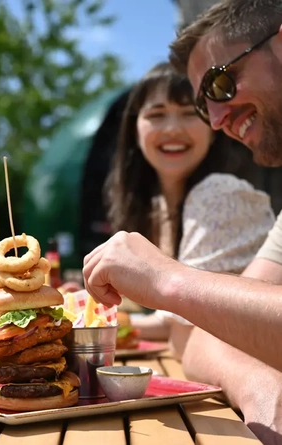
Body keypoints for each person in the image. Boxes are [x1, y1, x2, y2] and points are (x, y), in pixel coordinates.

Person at [83, 1, 282, 442]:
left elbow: (208, 327)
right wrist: (264, 389)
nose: (214, 118)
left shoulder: (220, 195)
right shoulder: (153, 208)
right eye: (203, 103)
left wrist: (167, 281)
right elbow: (220, 334)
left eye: (220, 82)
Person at [104, 61, 274, 358]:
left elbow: (186, 336)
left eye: (189, 113)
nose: (172, 129)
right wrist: (86, 315)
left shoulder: (220, 195)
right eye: (157, 115)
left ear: (213, 128)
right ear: (135, 129)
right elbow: (173, 321)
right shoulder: (157, 205)